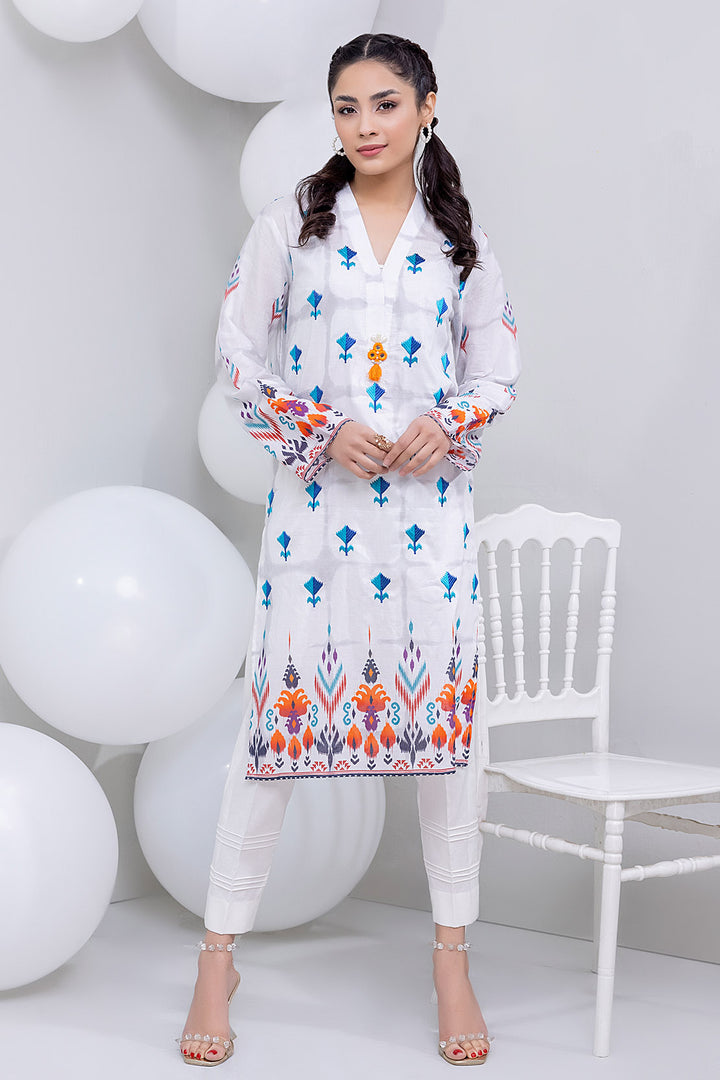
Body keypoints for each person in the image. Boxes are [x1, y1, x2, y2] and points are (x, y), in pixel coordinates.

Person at [177, 32, 520, 1068]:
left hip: (429, 523)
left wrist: (449, 422)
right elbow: (237, 352)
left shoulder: (459, 238)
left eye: (384, 104)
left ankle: (452, 959)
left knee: (449, 748)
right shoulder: (292, 224)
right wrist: (319, 427)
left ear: (426, 106)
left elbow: (498, 365)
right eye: (346, 107)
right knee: (272, 734)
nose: (364, 125)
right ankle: (215, 960)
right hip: (317, 521)